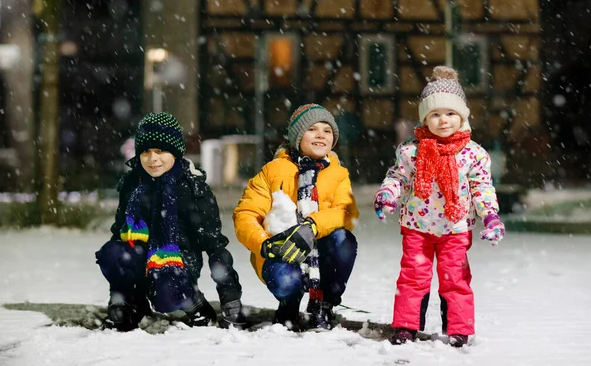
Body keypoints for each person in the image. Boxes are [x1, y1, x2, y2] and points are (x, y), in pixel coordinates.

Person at [373, 66, 505, 348]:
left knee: (455, 278)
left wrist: (490, 216)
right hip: (417, 228)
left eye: (450, 113)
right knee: (412, 276)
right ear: (424, 119)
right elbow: (398, 176)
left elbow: (482, 187)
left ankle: (458, 328)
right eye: (435, 114)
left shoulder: (473, 153)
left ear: (462, 116)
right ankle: (406, 326)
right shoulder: (411, 150)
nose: (443, 120)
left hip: (455, 228)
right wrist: (388, 194)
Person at [96, 112, 246, 331]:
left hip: (178, 263)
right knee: (112, 252)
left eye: (160, 150)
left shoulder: (192, 188)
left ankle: (194, 304)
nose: (152, 158)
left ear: (175, 152)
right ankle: (132, 304)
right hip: (142, 257)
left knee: (166, 292)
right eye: (146, 151)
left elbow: (216, 248)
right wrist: (117, 296)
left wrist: (231, 301)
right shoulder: (133, 183)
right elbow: (119, 233)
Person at [233, 104, 359, 330]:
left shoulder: (339, 174)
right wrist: (264, 244)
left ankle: (324, 303)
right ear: (297, 136)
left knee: (343, 240)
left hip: (321, 250)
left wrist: (311, 227)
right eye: (312, 129)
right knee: (286, 281)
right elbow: (246, 214)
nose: (321, 134)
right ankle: (289, 304)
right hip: (283, 249)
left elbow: (346, 212)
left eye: (327, 130)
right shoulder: (272, 171)